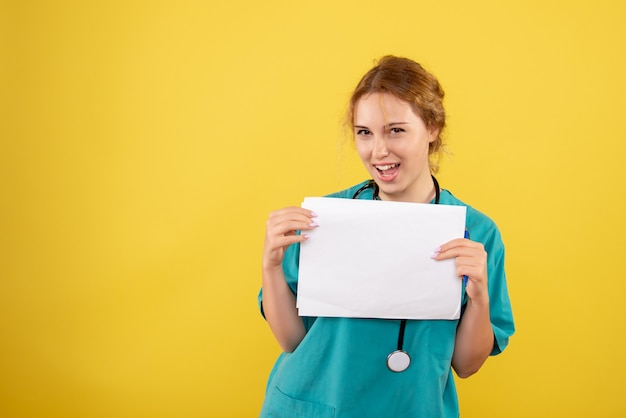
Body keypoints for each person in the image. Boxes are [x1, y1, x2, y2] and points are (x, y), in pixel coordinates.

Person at [258, 55, 514, 417]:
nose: (378, 151)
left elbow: (467, 365)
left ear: (432, 128)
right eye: (365, 133)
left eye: (396, 130)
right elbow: (292, 341)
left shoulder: (477, 233)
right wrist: (271, 266)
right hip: (311, 406)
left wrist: (480, 298)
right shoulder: (322, 219)